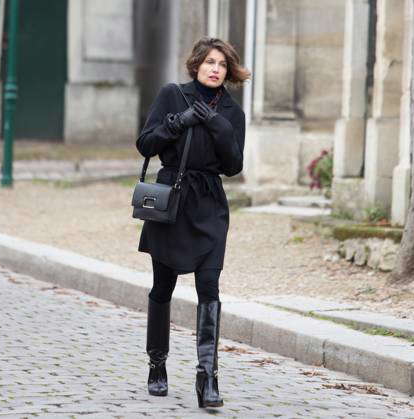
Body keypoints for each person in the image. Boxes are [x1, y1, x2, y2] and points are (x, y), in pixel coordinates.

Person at [136, 37, 250, 408]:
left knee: (210, 289)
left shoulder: (232, 113)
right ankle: (157, 365)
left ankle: (207, 377)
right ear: (197, 64)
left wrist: (216, 124)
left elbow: (233, 166)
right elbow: (146, 143)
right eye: (210, 62)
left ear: (228, 72)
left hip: (210, 205)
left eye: (222, 65)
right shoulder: (174, 95)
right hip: (172, 201)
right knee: (162, 286)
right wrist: (178, 123)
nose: (215, 69)